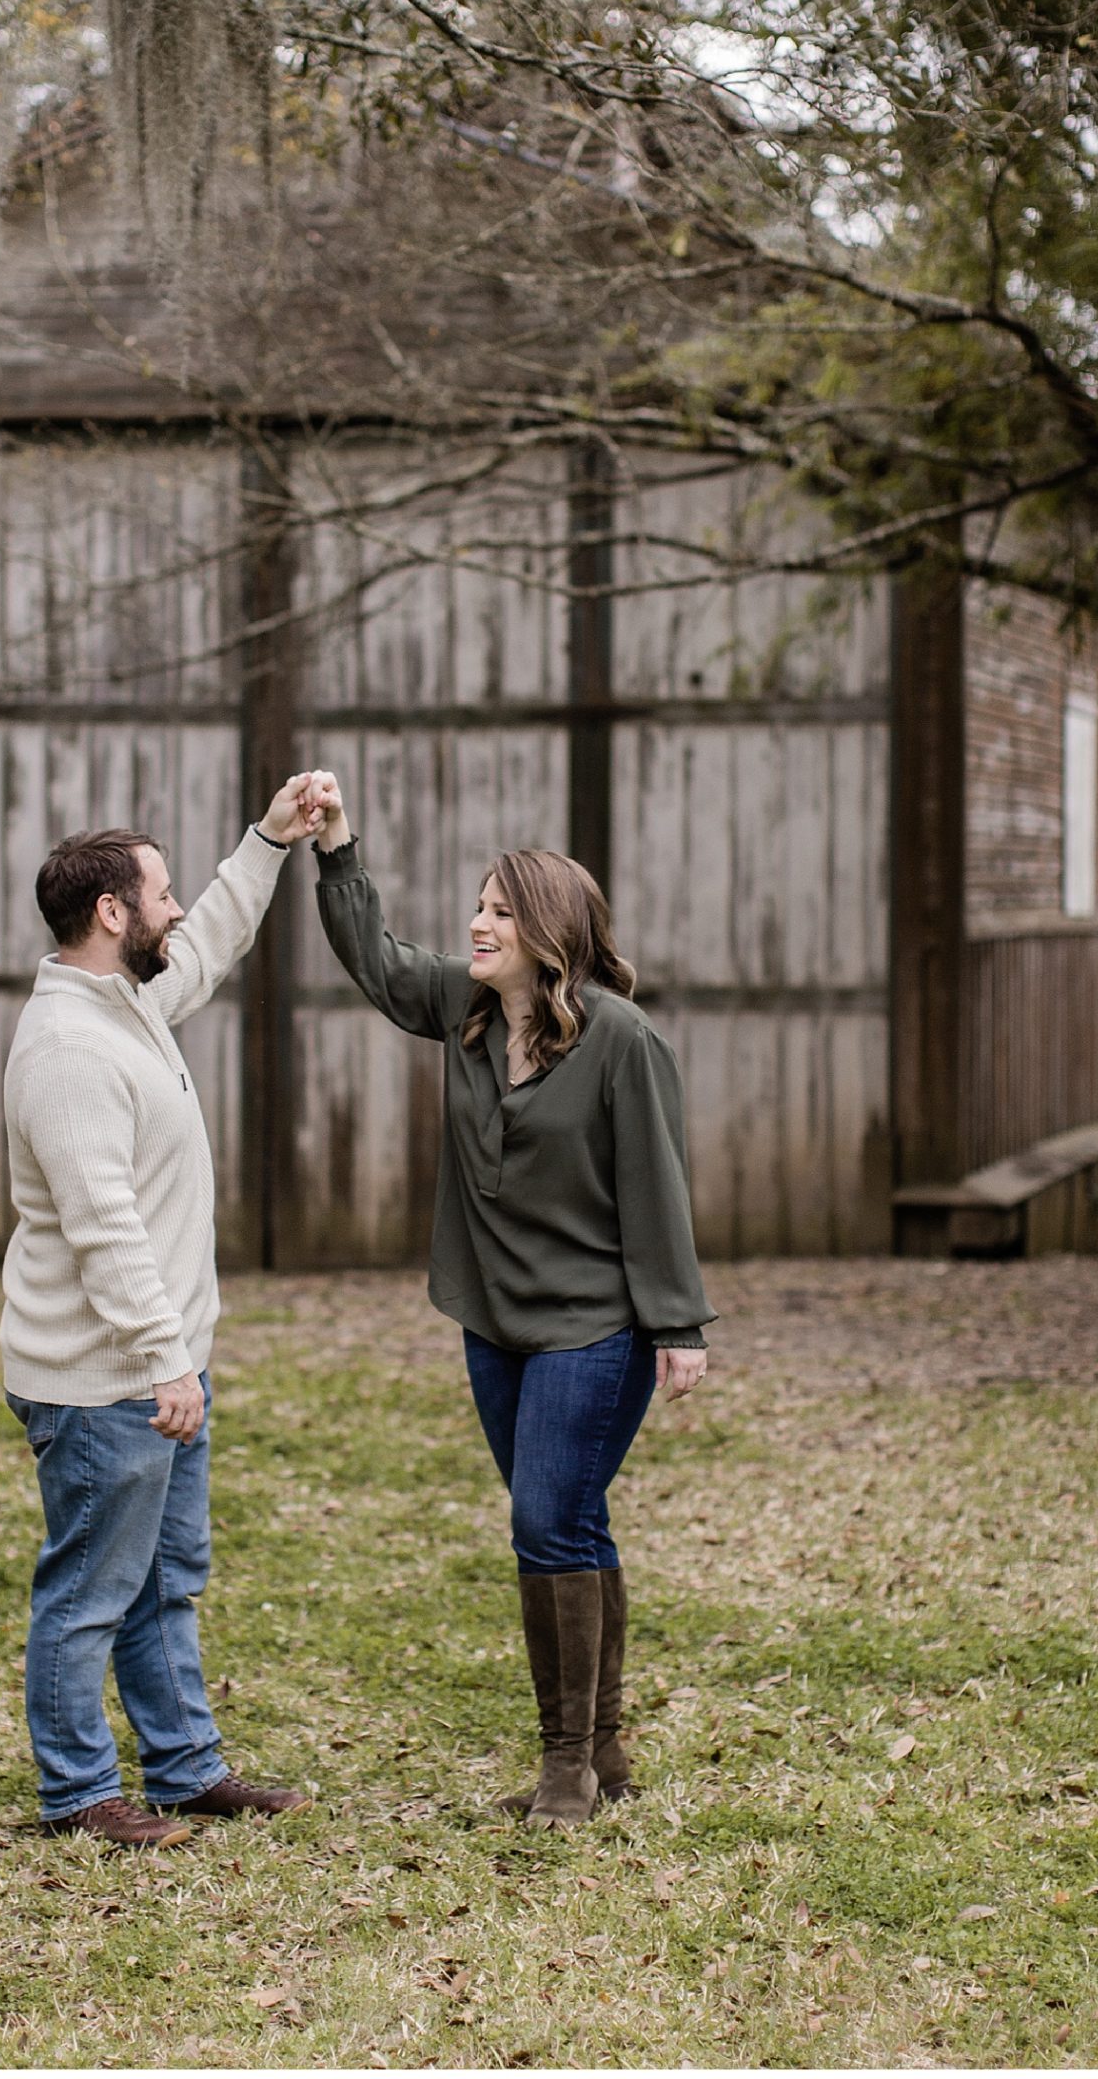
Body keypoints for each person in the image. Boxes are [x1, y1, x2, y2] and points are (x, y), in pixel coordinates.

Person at [307, 775, 714, 1826]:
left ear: (547, 933)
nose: (476, 924)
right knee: (568, 1520)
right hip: (495, 1319)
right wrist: (337, 848)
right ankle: (609, 1749)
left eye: (497, 909)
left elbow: (656, 1185)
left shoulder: (623, 1041)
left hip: (594, 1324)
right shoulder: (469, 1010)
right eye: (478, 907)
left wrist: (677, 1323)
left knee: (545, 1522)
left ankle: (564, 1767)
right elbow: (379, 961)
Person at [0, 779, 326, 1849]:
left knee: (163, 1584)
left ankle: (186, 1770)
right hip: (109, 1382)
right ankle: (79, 1795)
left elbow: (210, 944)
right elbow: (104, 1227)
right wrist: (163, 1361)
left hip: (160, 1370)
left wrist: (271, 841)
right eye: (163, 891)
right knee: (91, 1590)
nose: (177, 907)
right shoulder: (69, 1051)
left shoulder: (124, 1003)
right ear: (111, 913)